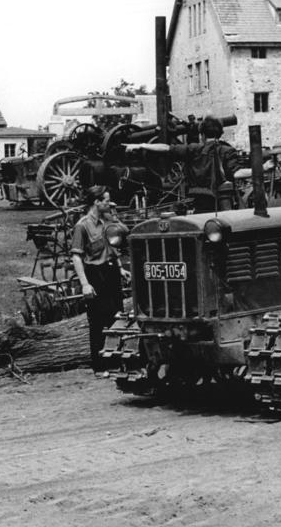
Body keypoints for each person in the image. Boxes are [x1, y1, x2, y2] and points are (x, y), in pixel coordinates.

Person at [124, 115, 239, 213]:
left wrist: (141, 145)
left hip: (198, 204)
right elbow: (237, 173)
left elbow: (166, 148)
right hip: (222, 206)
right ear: (220, 133)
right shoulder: (227, 151)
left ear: (202, 135)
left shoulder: (193, 149)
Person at [71, 185, 129, 371]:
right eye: (105, 200)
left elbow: (121, 237)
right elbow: (76, 256)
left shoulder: (108, 221)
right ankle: (100, 365)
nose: (109, 203)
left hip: (111, 271)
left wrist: (120, 268)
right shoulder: (82, 226)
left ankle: (116, 361)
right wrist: (85, 284)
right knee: (98, 320)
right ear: (96, 202)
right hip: (95, 275)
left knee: (117, 315)